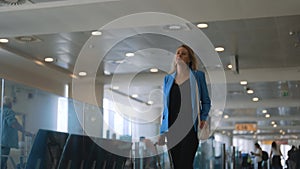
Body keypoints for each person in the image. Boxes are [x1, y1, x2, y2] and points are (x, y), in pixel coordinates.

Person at [157, 44, 211, 169]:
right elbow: (165, 108)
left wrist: (203, 118)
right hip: (172, 130)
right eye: (178, 53)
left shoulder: (198, 76)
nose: (179, 55)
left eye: (183, 53)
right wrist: (162, 132)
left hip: (190, 129)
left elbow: (206, 101)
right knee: (176, 165)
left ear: (189, 59)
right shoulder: (168, 79)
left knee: (185, 164)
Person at [1, 96, 33, 169]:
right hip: (5, 143)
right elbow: (13, 123)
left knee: (3, 163)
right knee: (2, 163)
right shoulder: (8, 111)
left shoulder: (1, 111)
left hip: (1, 143)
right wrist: (24, 132)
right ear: (10, 104)